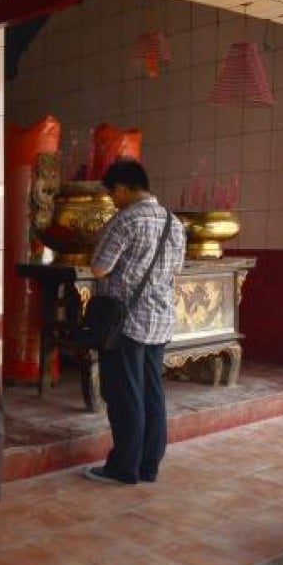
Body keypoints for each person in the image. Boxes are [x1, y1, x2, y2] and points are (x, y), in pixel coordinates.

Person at [83, 159, 185, 485]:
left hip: (125, 322)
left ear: (124, 188)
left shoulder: (125, 220)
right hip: (159, 318)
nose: (113, 199)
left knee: (125, 395)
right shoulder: (174, 222)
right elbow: (175, 270)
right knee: (152, 392)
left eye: (113, 193)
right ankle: (148, 465)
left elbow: (99, 268)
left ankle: (123, 468)